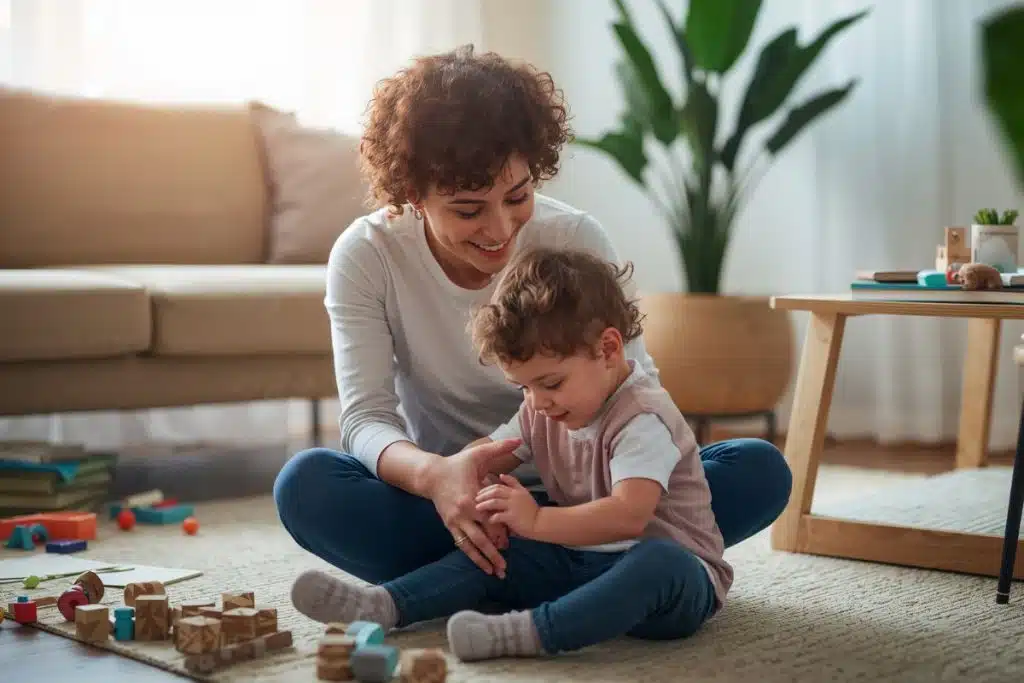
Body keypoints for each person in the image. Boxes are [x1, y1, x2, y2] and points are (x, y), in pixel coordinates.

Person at [273, 44, 791, 589]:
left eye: (517, 196)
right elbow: (365, 419)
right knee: (305, 486)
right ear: (412, 195)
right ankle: (588, 575)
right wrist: (437, 477)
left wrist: (588, 505)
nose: (500, 230)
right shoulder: (367, 254)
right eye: (468, 210)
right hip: (449, 499)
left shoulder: (575, 238)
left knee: (757, 468)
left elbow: (636, 388)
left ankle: (498, 570)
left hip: (595, 494)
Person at [291, 247, 731, 661]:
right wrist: (462, 472)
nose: (538, 402)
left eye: (552, 383)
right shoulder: (542, 408)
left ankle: (530, 633)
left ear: (609, 350)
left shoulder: (642, 417)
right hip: (589, 557)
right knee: (508, 548)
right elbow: (494, 451)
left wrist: (537, 520)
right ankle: (386, 604)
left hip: (676, 581)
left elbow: (628, 516)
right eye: (524, 387)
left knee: (657, 560)